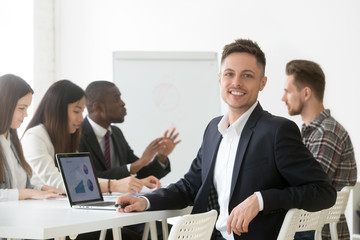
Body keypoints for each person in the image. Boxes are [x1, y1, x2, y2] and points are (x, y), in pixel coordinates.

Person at [115, 39, 337, 240]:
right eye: (230, 74)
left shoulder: (277, 131)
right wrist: (146, 201)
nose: (236, 82)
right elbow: (190, 186)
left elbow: (323, 192)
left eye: (247, 75)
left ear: (262, 82)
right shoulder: (213, 129)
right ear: (220, 79)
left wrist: (261, 200)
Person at [22, 80, 160, 195]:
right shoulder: (34, 137)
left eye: (82, 112)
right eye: (76, 111)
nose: (81, 118)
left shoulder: (68, 138)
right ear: (57, 110)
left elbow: (85, 178)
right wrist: (112, 186)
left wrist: (136, 184)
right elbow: (57, 182)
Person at [282, 59, 357, 240]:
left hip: (317, 233)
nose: (283, 98)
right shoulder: (313, 133)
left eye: (287, 91)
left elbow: (310, 188)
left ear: (306, 93)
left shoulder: (327, 134)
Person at [79, 80, 180, 180]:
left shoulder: (116, 133)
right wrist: (140, 162)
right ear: (98, 107)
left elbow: (142, 174)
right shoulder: (77, 134)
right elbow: (90, 179)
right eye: (116, 98)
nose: (122, 103)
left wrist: (161, 156)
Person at [0, 74, 62, 201]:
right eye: (21, 108)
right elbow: (18, 192)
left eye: (27, 108)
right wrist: (29, 193)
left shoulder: (12, 140)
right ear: (4, 105)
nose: (26, 114)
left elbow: (19, 186)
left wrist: (42, 189)